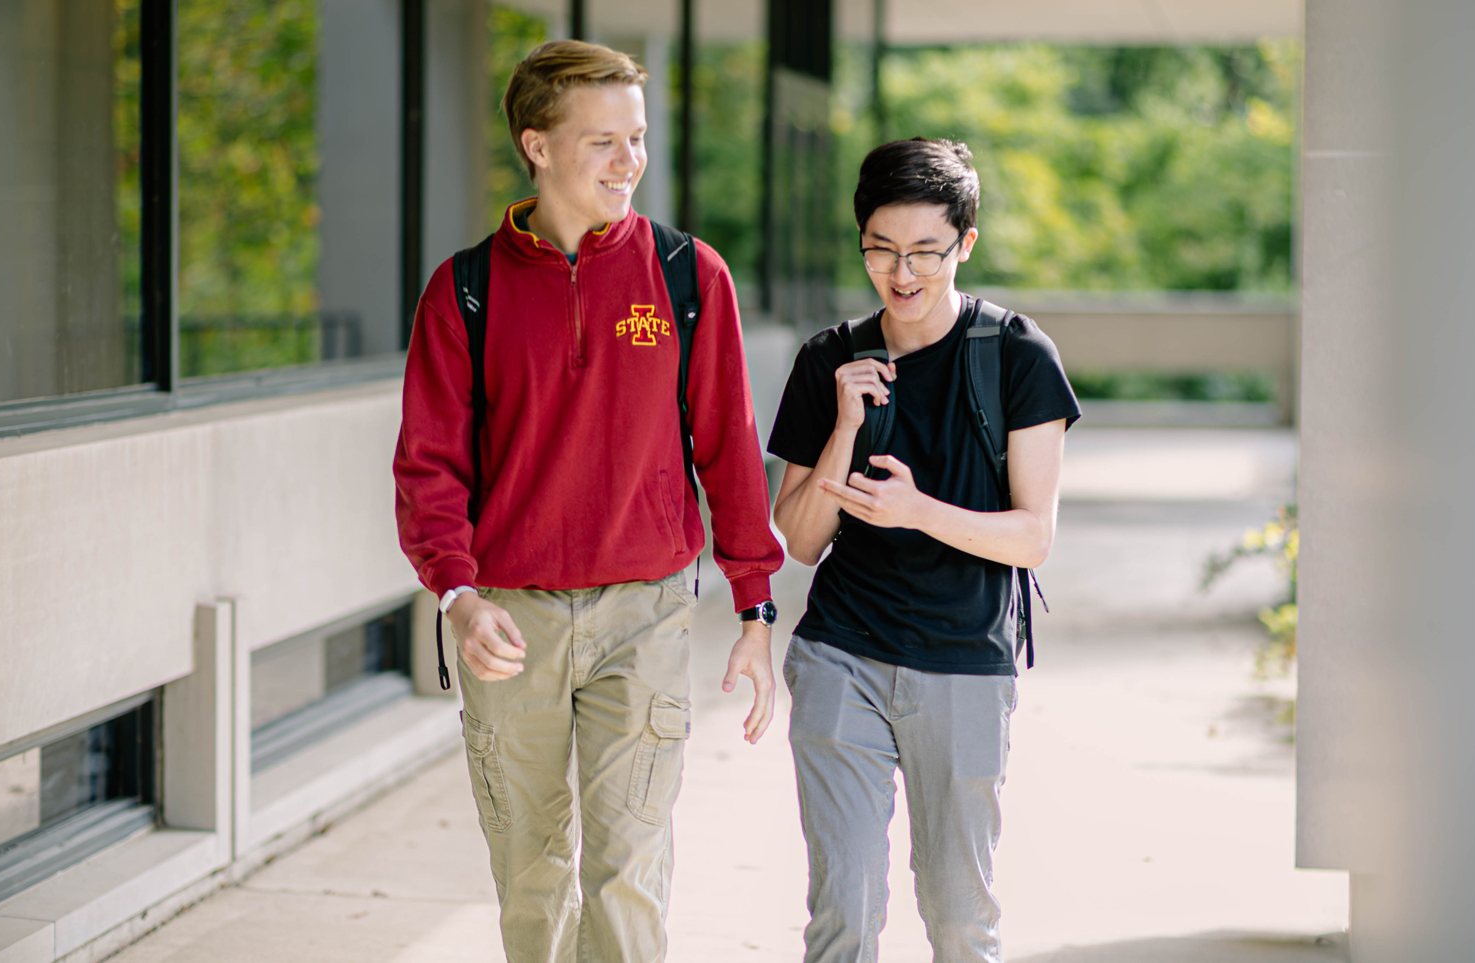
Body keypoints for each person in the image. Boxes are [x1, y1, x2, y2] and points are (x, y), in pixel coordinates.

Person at [392, 40, 784, 963]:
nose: (628, 161)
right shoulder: (466, 291)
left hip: (643, 614)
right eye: (603, 141)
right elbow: (428, 465)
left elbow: (728, 451)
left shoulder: (690, 278)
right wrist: (457, 591)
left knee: (627, 869)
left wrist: (754, 605)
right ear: (537, 145)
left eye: (636, 138)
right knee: (530, 877)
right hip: (509, 621)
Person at [767, 138, 1080, 962]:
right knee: (844, 911)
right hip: (841, 654)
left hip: (963, 665)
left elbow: (1032, 536)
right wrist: (843, 425)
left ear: (965, 242)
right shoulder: (827, 357)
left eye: (924, 254)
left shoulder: (1016, 356)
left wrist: (915, 510)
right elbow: (799, 539)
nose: (900, 274)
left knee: (957, 918)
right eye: (879, 251)